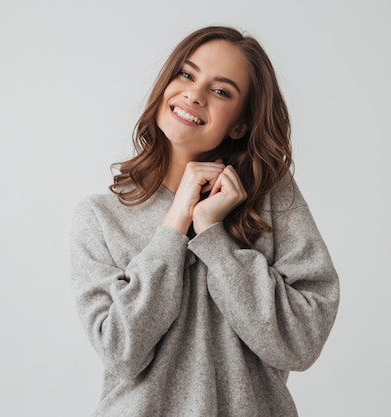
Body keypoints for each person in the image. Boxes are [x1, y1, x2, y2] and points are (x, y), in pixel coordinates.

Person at [70, 25, 340, 417]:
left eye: (221, 91)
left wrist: (213, 234)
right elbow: (121, 352)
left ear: (240, 124)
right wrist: (174, 226)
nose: (194, 94)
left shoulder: (271, 200)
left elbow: (301, 343)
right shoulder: (100, 217)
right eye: (187, 74)